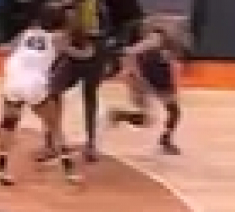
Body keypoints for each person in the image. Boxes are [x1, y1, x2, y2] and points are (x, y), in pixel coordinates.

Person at [0, 7, 79, 186]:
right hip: (34, 84)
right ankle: (70, 172)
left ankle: (1, 167)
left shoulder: (27, 33)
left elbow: (3, 49)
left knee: (8, 124)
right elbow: (79, 54)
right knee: (55, 126)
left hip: (13, 80)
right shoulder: (59, 37)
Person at [108, 17, 187, 153]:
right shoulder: (155, 39)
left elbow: (173, 67)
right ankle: (119, 115)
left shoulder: (168, 48)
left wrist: (173, 87)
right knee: (148, 119)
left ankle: (165, 139)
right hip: (142, 80)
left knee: (174, 111)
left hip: (158, 80)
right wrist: (132, 73)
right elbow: (129, 52)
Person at [45, 14, 104, 164]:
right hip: (75, 58)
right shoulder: (61, 37)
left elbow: (88, 52)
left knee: (89, 97)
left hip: (92, 59)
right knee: (53, 94)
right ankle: (51, 142)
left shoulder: (94, 42)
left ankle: (90, 144)